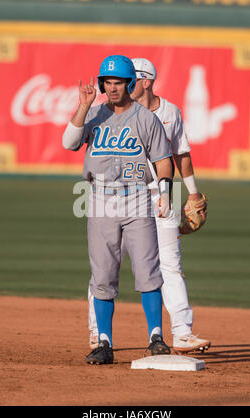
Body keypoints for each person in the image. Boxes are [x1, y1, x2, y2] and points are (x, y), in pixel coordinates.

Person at [88, 58, 210, 354]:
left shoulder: (169, 113)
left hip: (160, 193)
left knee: (168, 264)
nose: (124, 85)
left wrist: (191, 194)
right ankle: (96, 332)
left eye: (134, 79)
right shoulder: (111, 113)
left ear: (147, 81)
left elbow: (181, 154)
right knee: (104, 266)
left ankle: (181, 332)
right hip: (119, 197)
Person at [62, 55, 173, 365]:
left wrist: (165, 192)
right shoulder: (93, 115)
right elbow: (69, 143)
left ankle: (156, 338)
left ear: (130, 84)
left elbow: (164, 160)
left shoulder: (145, 119)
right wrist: (83, 105)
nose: (112, 88)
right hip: (99, 197)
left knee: (148, 270)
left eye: (118, 82)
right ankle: (104, 342)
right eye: (107, 82)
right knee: (103, 273)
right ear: (101, 84)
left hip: (137, 197)